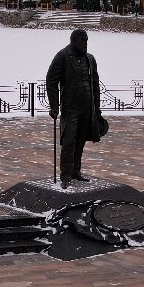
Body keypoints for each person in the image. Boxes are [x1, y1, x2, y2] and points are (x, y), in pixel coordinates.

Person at [45, 28, 104, 186]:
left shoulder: (90, 59)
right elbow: (51, 80)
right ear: (74, 41)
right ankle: (65, 175)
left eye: (86, 41)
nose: (85, 44)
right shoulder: (63, 56)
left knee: (81, 140)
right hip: (71, 108)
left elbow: (95, 84)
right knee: (69, 141)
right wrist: (54, 105)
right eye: (82, 41)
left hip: (87, 108)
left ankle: (75, 171)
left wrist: (97, 108)